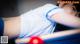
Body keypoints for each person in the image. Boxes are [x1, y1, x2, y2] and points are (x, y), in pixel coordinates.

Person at [2, 3, 80, 43]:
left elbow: (16, 18)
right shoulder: (52, 8)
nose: (76, 14)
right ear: (62, 4)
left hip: (5, 37)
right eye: (73, 9)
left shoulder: (51, 27)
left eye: (78, 15)